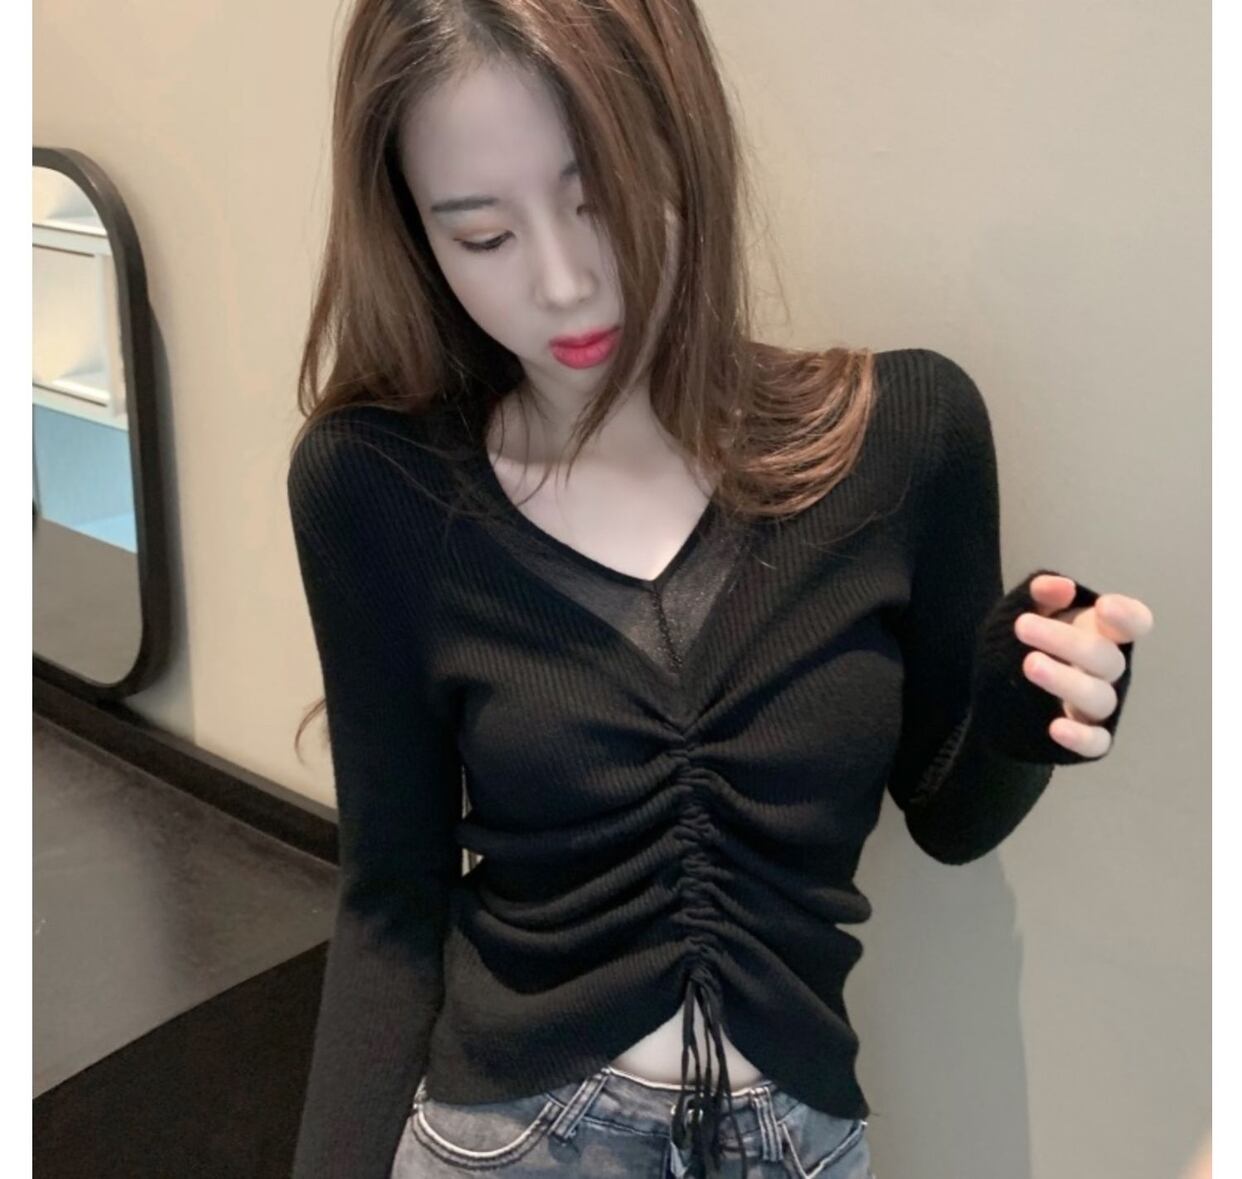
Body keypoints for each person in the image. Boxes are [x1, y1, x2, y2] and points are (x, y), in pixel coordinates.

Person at [284, 2, 1154, 1176]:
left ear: (684, 139)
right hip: (509, 1140)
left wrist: (1024, 715)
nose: (563, 283)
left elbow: (952, 822)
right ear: (415, 234)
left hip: (793, 1143)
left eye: (600, 198)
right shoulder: (376, 486)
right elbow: (391, 898)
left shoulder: (908, 438)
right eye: (482, 236)